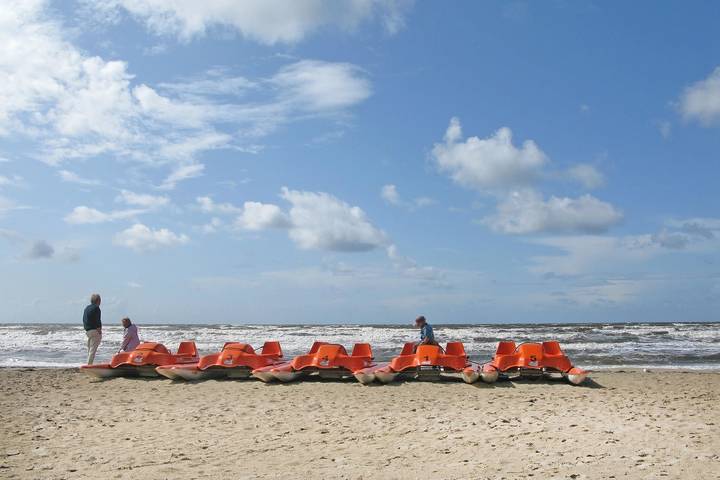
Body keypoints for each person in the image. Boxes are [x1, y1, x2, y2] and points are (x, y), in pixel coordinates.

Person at [83, 293, 102, 364]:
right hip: (94, 330)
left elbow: (85, 319)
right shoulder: (96, 308)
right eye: (100, 300)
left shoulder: (87, 308)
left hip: (88, 330)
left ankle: (88, 363)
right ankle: (89, 365)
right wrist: (99, 329)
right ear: (98, 300)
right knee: (92, 350)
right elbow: (97, 320)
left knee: (90, 349)